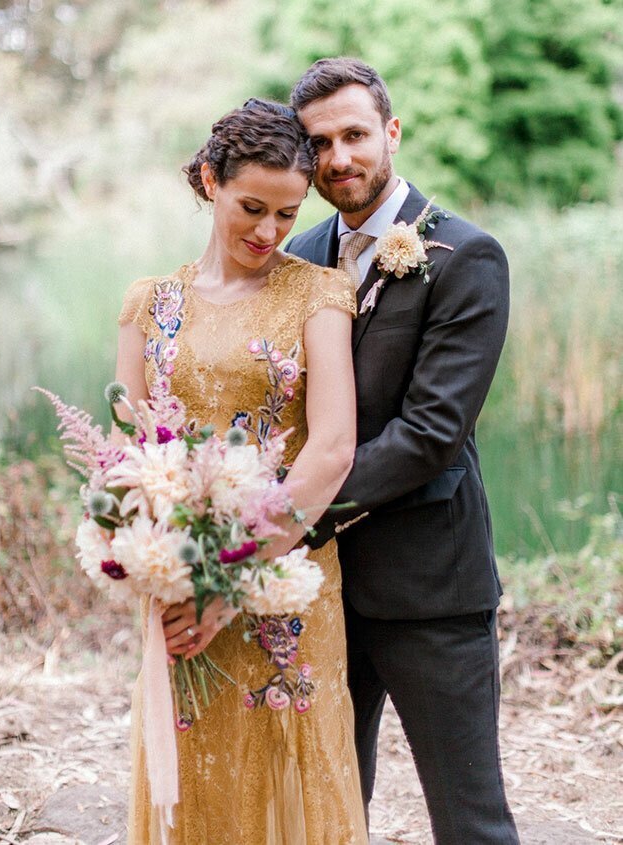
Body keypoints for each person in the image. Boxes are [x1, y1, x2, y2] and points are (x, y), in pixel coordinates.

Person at [115, 98, 368, 844]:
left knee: (289, 784)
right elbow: (129, 452)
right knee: (191, 781)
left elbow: (333, 448)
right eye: (252, 207)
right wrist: (157, 562)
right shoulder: (148, 304)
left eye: (288, 215)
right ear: (208, 180)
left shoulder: (318, 294)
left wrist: (232, 579)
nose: (268, 232)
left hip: (281, 586)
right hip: (182, 590)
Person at [286, 58, 520, 844]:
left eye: (355, 134)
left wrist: (291, 515)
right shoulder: (299, 253)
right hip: (317, 594)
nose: (340, 157)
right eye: (320, 144)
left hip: (431, 589)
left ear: (391, 132)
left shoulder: (466, 255)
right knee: (330, 810)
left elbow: (428, 433)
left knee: (470, 821)